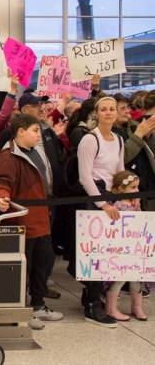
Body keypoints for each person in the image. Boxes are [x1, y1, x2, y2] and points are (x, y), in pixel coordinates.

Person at [0, 114, 64, 330]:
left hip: (41, 218)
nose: (38, 135)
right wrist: (0, 198)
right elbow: (0, 182)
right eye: (34, 130)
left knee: (43, 264)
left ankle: (39, 304)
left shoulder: (36, 151)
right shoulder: (9, 156)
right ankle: (22, 308)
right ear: (20, 132)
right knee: (25, 267)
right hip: (23, 222)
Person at [73, 96, 124, 327]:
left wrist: (121, 200)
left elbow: (119, 172)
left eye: (112, 109)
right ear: (96, 113)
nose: (108, 113)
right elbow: (85, 177)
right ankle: (92, 303)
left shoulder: (119, 140)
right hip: (94, 200)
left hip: (111, 200)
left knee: (107, 252)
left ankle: (95, 296)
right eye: (103, 109)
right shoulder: (89, 140)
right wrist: (102, 204)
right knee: (93, 254)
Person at [105, 170, 148, 322]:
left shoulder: (135, 202)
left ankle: (137, 306)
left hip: (135, 247)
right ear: (119, 190)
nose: (136, 191)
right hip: (121, 249)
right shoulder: (117, 205)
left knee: (137, 277)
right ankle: (111, 308)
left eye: (137, 187)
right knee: (120, 278)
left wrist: (138, 205)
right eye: (132, 188)